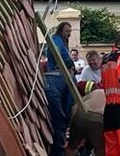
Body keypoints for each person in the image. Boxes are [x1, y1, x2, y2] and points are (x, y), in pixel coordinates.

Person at [46, 22, 76, 156]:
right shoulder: (57, 39)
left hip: (62, 80)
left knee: (63, 117)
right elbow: (55, 51)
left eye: (70, 31)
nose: (69, 33)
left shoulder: (63, 43)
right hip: (57, 78)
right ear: (60, 31)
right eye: (66, 31)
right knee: (60, 118)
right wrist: (67, 63)